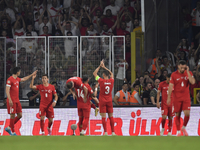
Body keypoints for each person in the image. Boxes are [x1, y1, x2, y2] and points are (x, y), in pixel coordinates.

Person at [5, 67, 37, 135]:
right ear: (17, 72)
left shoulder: (17, 79)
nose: (20, 72)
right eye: (19, 71)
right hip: (12, 101)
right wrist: (10, 99)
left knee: (20, 115)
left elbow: (24, 79)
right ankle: (13, 132)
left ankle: (9, 127)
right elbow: (7, 90)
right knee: (12, 115)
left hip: (17, 100)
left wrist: (32, 75)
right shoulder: (10, 79)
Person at [167, 60, 195, 136]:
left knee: (187, 114)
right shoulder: (174, 74)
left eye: (184, 67)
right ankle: (179, 132)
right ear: (178, 66)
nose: (183, 69)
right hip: (177, 98)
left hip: (186, 97)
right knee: (177, 114)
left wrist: (188, 72)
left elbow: (192, 82)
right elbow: (170, 86)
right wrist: (169, 97)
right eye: (181, 67)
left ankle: (184, 127)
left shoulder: (189, 73)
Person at [93, 60, 115, 136]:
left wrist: (100, 66)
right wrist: (105, 67)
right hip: (109, 100)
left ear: (103, 75)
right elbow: (112, 73)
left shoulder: (101, 81)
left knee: (103, 117)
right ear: (108, 75)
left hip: (102, 100)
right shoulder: (111, 81)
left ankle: (105, 132)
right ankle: (113, 132)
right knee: (111, 116)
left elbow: (94, 73)